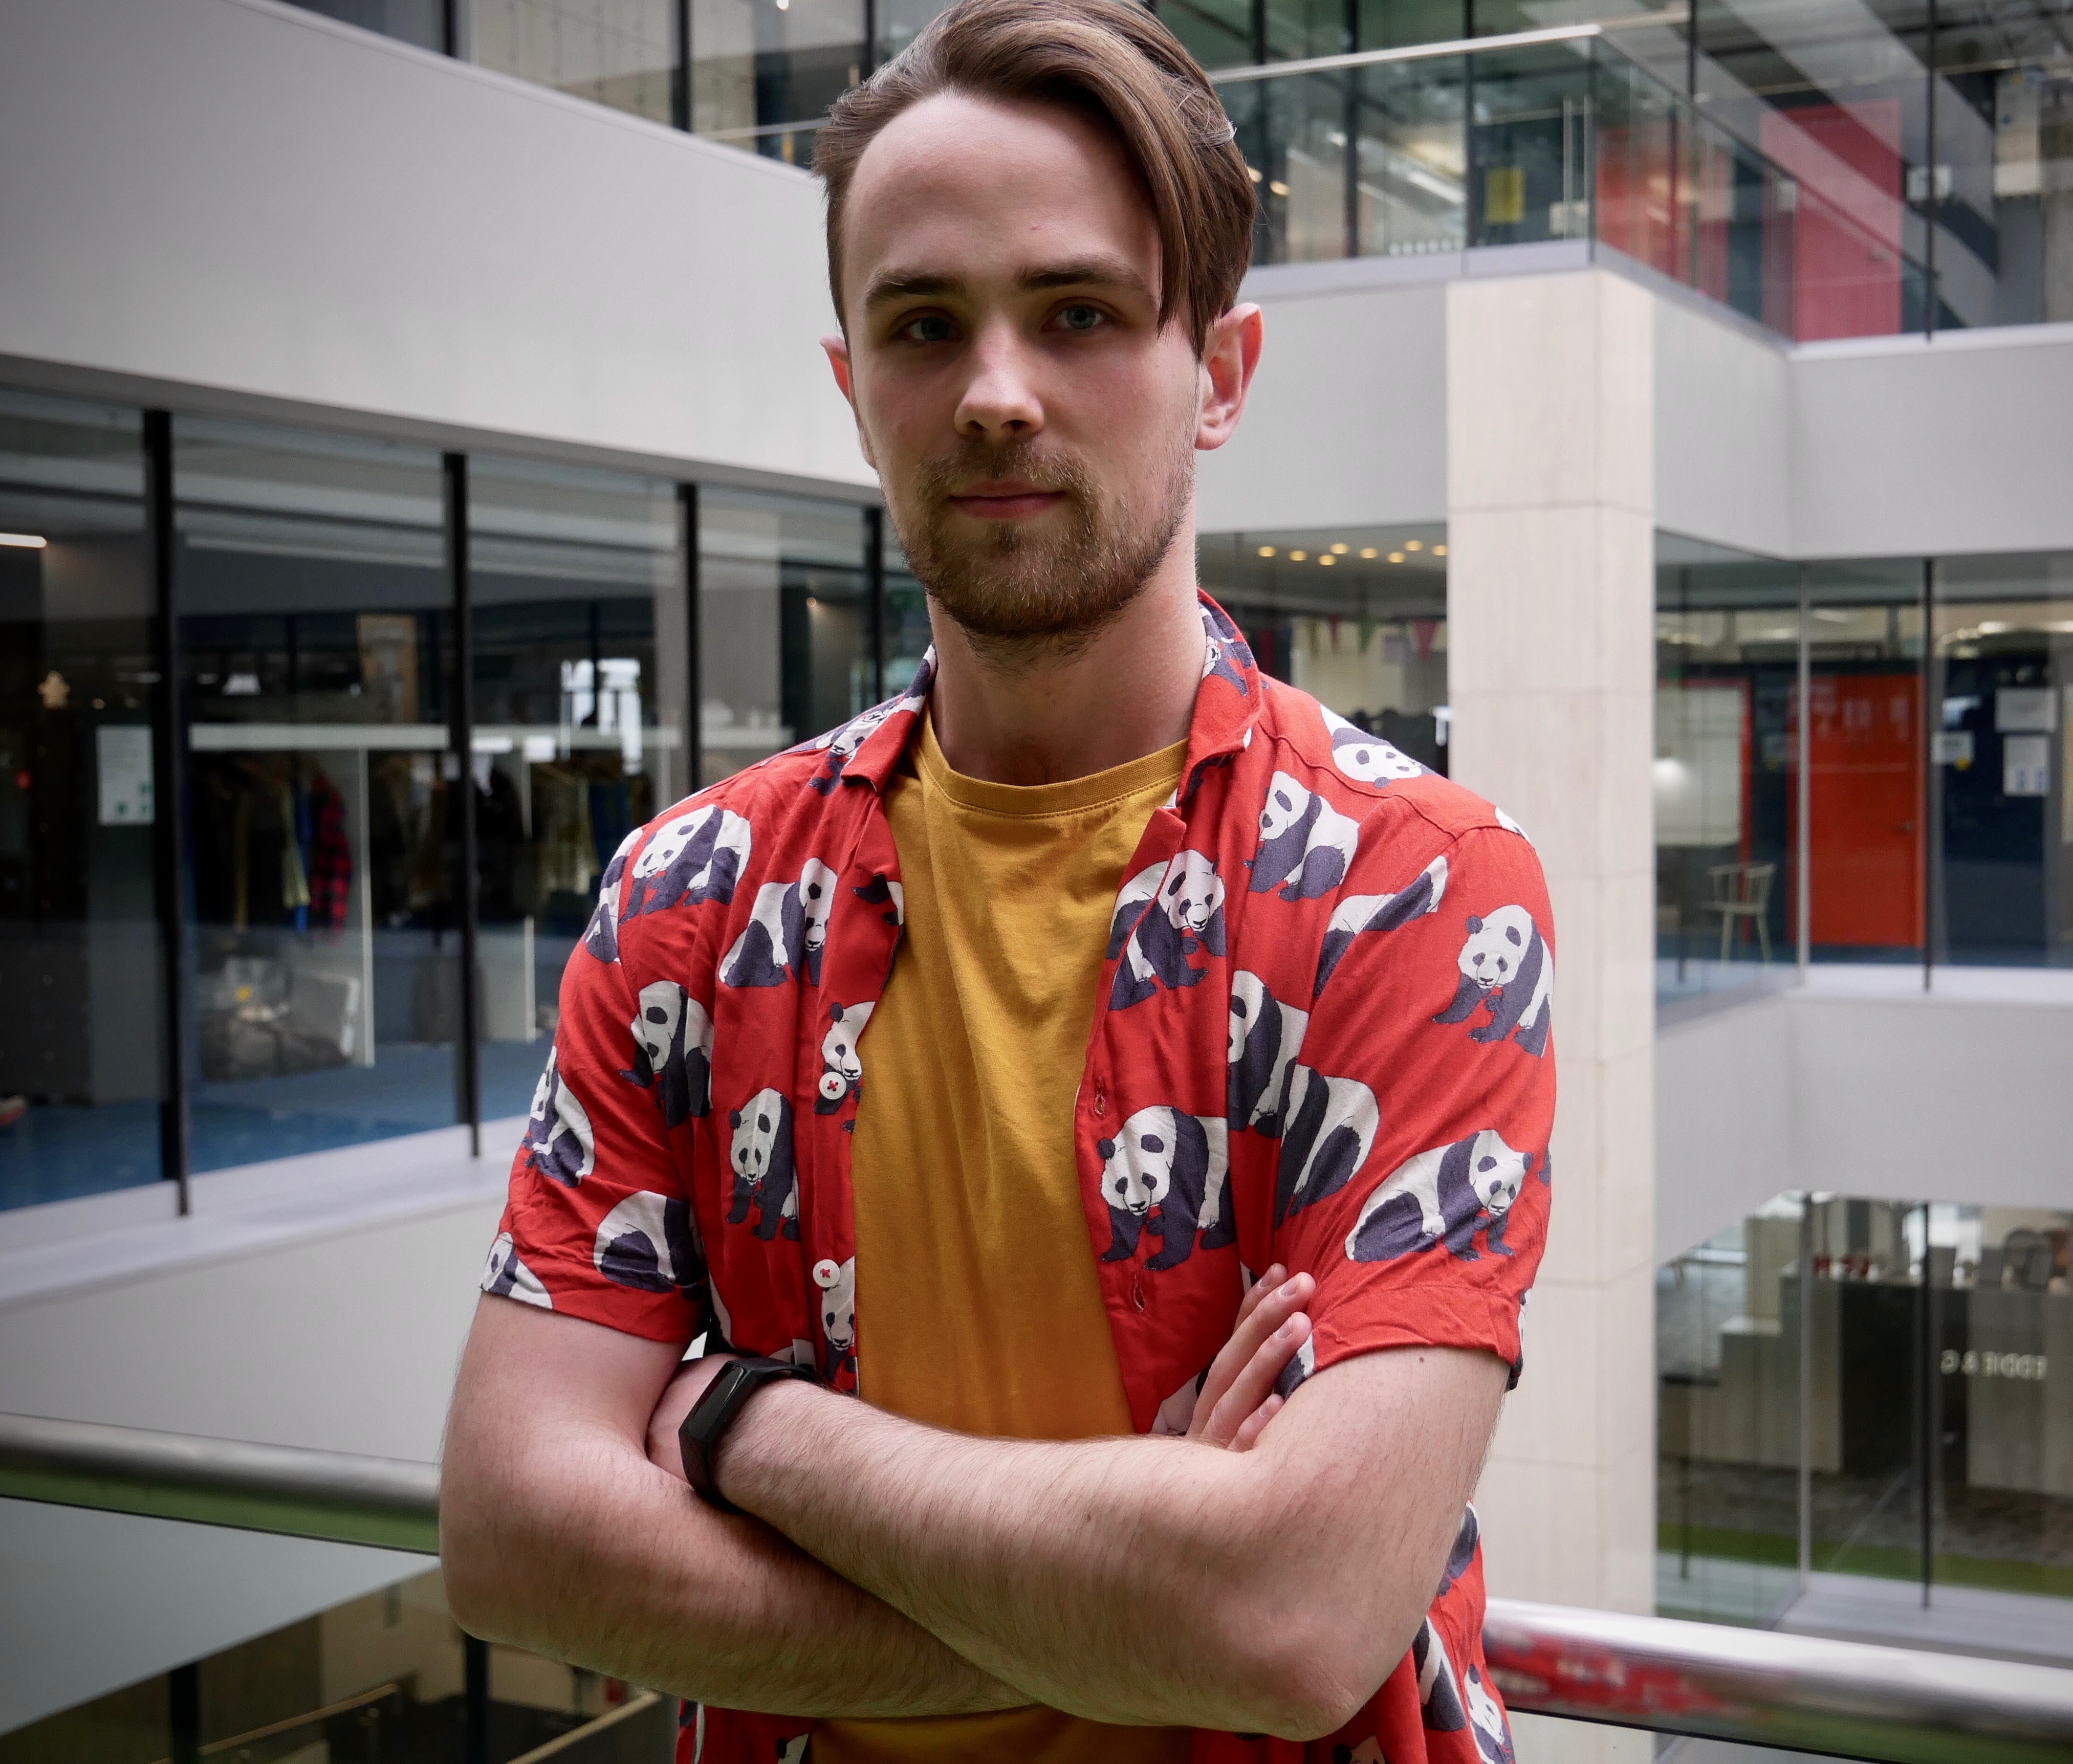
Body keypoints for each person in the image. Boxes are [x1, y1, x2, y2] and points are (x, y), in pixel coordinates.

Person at [437, 3, 1558, 1761]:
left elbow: (1288, 1624)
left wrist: (746, 1429)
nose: (998, 391)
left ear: (1225, 374)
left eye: (1083, 312)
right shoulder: (696, 900)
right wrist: (1134, 1592)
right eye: (924, 324)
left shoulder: (1411, 897)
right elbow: (516, 1539)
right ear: (854, 389)